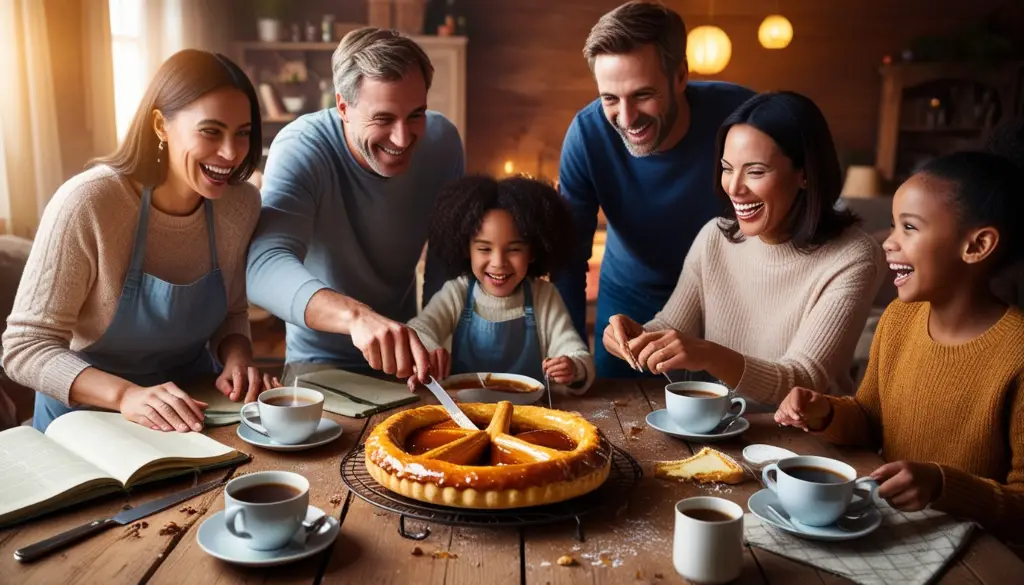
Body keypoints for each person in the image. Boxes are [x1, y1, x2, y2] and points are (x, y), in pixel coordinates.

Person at [2, 49, 279, 433]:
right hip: (88, 421)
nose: (231, 154)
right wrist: (125, 396)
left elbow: (232, 311)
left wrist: (238, 356)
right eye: (211, 131)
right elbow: (24, 348)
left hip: (195, 410)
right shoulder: (88, 203)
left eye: (243, 133)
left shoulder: (240, 203)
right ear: (161, 126)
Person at [774, 151, 1024, 540]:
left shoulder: (1017, 352)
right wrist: (825, 412)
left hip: (979, 558)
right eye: (893, 226)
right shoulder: (898, 320)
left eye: (909, 227)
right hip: (888, 532)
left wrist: (942, 486)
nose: (889, 242)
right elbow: (870, 420)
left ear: (977, 246)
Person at [605, 91, 885, 407]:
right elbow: (671, 329)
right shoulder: (716, 237)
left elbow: (804, 380)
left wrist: (708, 354)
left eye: (755, 171)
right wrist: (636, 336)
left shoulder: (853, 256)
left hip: (804, 443)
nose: (734, 188)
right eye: (727, 168)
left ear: (804, 173)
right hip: (718, 426)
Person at [246, 28, 464, 388]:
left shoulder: (443, 142)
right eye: (383, 119)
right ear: (343, 107)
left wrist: (431, 332)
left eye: (415, 114)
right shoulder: (300, 148)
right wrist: (356, 317)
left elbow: (445, 261)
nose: (402, 138)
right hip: (318, 363)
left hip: (409, 358)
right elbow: (262, 267)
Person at [555, 1, 755, 378]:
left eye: (642, 94)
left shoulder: (743, 116)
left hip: (729, 302)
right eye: (610, 99)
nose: (626, 118)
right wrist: (571, 351)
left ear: (680, 76)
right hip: (630, 304)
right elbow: (568, 259)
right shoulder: (586, 135)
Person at [408, 176, 595, 394]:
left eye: (513, 249)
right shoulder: (456, 293)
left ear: (533, 251)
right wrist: (427, 351)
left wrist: (573, 367)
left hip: (531, 416)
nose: (498, 263)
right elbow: (418, 330)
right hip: (464, 416)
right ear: (466, 250)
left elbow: (574, 349)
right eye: (484, 249)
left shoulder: (543, 296)